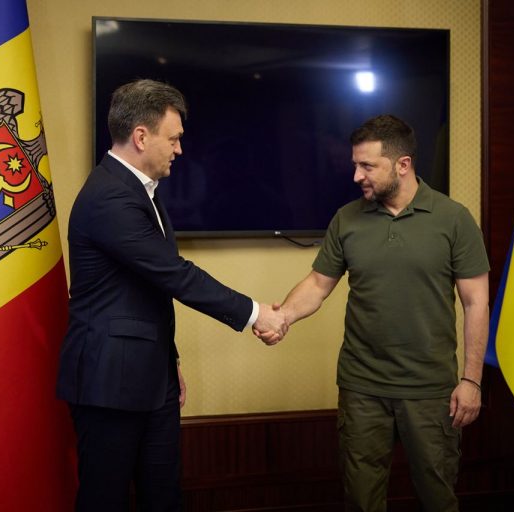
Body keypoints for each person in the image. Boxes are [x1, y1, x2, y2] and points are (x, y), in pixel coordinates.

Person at [56, 79, 286, 511]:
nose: (180, 149)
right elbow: (175, 275)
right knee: (104, 500)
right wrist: (257, 314)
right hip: (108, 381)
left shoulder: (141, 190)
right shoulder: (109, 196)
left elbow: (146, 290)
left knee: (163, 496)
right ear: (141, 136)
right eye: (174, 138)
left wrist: (168, 360)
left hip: (152, 375)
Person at [264, 115, 489, 511]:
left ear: (403, 164)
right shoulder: (347, 219)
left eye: (367, 166)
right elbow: (317, 284)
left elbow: (476, 303)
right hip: (362, 387)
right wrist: (283, 318)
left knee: (438, 498)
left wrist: (471, 380)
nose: (356, 176)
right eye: (356, 165)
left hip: (430, 389)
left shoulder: (454, 219)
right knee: (362, 500)